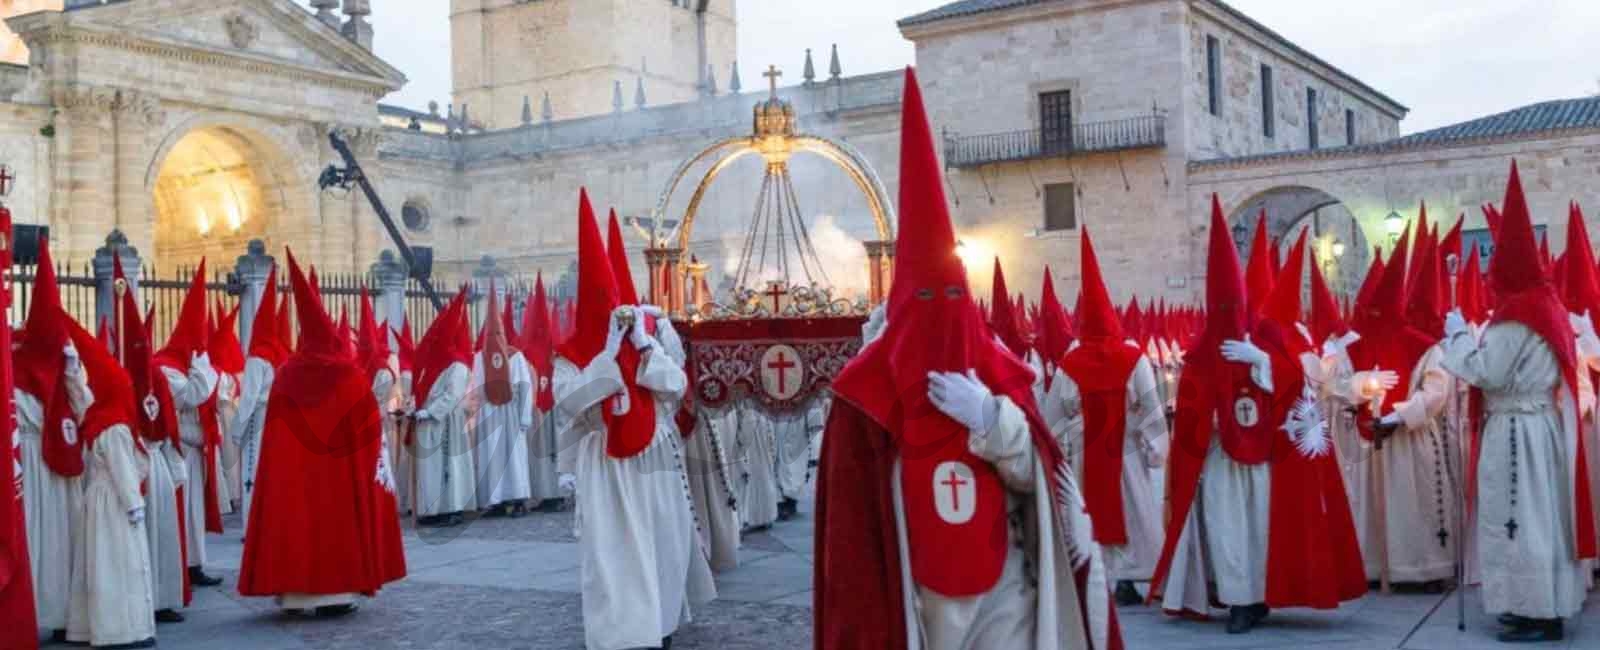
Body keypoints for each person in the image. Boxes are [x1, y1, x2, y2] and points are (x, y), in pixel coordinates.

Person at [813, 68, 1120, 650]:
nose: (941, 313)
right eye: (926, 299)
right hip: (912, 593)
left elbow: (1043, 483)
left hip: (1005, 583)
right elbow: (850, 532)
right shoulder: (863, 394)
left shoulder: (1002, 373)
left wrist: (992, 419)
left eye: (952, 297)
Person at [1148, 196, 1365, 634]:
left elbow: (1297, 384)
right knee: (1229, 532)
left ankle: (1263, 595)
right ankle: (1239, 602)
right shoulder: (1201, 350)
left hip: (1265, 457)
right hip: (1221, 459)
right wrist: (1201, 425)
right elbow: (1188, 408)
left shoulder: (1266, 336)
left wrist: (1262, 361)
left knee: (1262, 532)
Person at [554, 189, 714, 650]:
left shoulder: (648, 340)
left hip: (655, 455)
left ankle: (659, 624)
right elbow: (569, 403)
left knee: (662, 541)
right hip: (605, 460)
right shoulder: (571, 354)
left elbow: (675, 385)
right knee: (615, 553)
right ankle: (623, 634)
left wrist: (644, 345)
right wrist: (605, 356)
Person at [1443, 164, 1594, 643]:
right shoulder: (1547, 306)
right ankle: (1533, 604)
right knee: (1538, 518)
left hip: (1515, 430)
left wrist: (1458, 339)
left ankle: (1537, 613)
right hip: (1538, 427)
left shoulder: (1516, 316)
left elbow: (1487, 371)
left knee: (1521, 521)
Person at [237, 250, 406, 616]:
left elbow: (274, 439)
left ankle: (296, 594)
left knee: (297, 519)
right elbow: (366, 431)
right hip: (339, 479)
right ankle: (336, 594)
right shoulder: (348, 376)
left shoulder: (286, 375)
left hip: (295, 479)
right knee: (335, 525)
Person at [1045, 227, 1166, 608]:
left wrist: (1062, 444)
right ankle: (1128, 579)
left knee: (1088, 509)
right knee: (1131, 508)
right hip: (1126, 448)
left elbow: (1053, 414)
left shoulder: (1070, 362)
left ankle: (1097, 574)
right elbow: (1151, 408)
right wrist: (1155, 449)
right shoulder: (1134, 357)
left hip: (1085, 451)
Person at [1354, 214, 1460, 592]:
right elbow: (1341, 384)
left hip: (1410, 439)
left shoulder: (1423, 345)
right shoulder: (1360, 343)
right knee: (1380, 508)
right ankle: (1377, 566)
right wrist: (1360, 394)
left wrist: (1399, 416)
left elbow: (1436, 390)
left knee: (1416, 506)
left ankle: (1425, 568)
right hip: (1373, 441)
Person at [13, 238, 92, 642]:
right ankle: (48, 613)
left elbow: (84, 404)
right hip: (36, 459)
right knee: (47, 539)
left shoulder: (52, 365)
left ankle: (60, 613)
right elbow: (84, 403)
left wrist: (72, 365)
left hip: (50, 459)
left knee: (57, 539)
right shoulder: (41, 364)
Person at [63, 319, 156, 648]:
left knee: (97, 564)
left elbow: (80, 399)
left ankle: (91, 625)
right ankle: (121, 629)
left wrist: (73, 369)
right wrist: (135, 504)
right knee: (118, 564)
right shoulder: (114, 425)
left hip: (96, 500)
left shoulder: (97, 414)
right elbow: (123, 470)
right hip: (115, 502)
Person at [229, 266, 287, 539]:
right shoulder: (277, 355)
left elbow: (249, 397)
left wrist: (236, 431)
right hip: (277, 420)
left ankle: (254, 526)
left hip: (258, 421)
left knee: (251, 473)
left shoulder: (257, 359)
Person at [411, 291, 476, 526]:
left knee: (449, 465)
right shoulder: (432, 363)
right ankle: (434, 509)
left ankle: (452, 509)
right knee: (431, 468)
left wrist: (430, 411)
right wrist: (414, 407)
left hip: (446, 421)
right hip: (429, 422)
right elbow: (420, 390)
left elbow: (453, 395)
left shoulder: (457, 365)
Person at [472, 285, 535, 517]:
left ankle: (518, 499)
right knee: (492, 457)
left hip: (510, 412)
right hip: (489, 412)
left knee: (513, 457)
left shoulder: (516, 356)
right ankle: (496, 500)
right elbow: (477, 388)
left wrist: (525, 417)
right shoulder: (479, 357)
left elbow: (524, 387)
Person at [520, 277, 563, 509]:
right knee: (552, 450)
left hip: (538, 409)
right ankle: (555, 493)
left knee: (542, 452)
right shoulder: (557, 349)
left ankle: (547, 493)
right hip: (552, 408)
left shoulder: (526, 353)